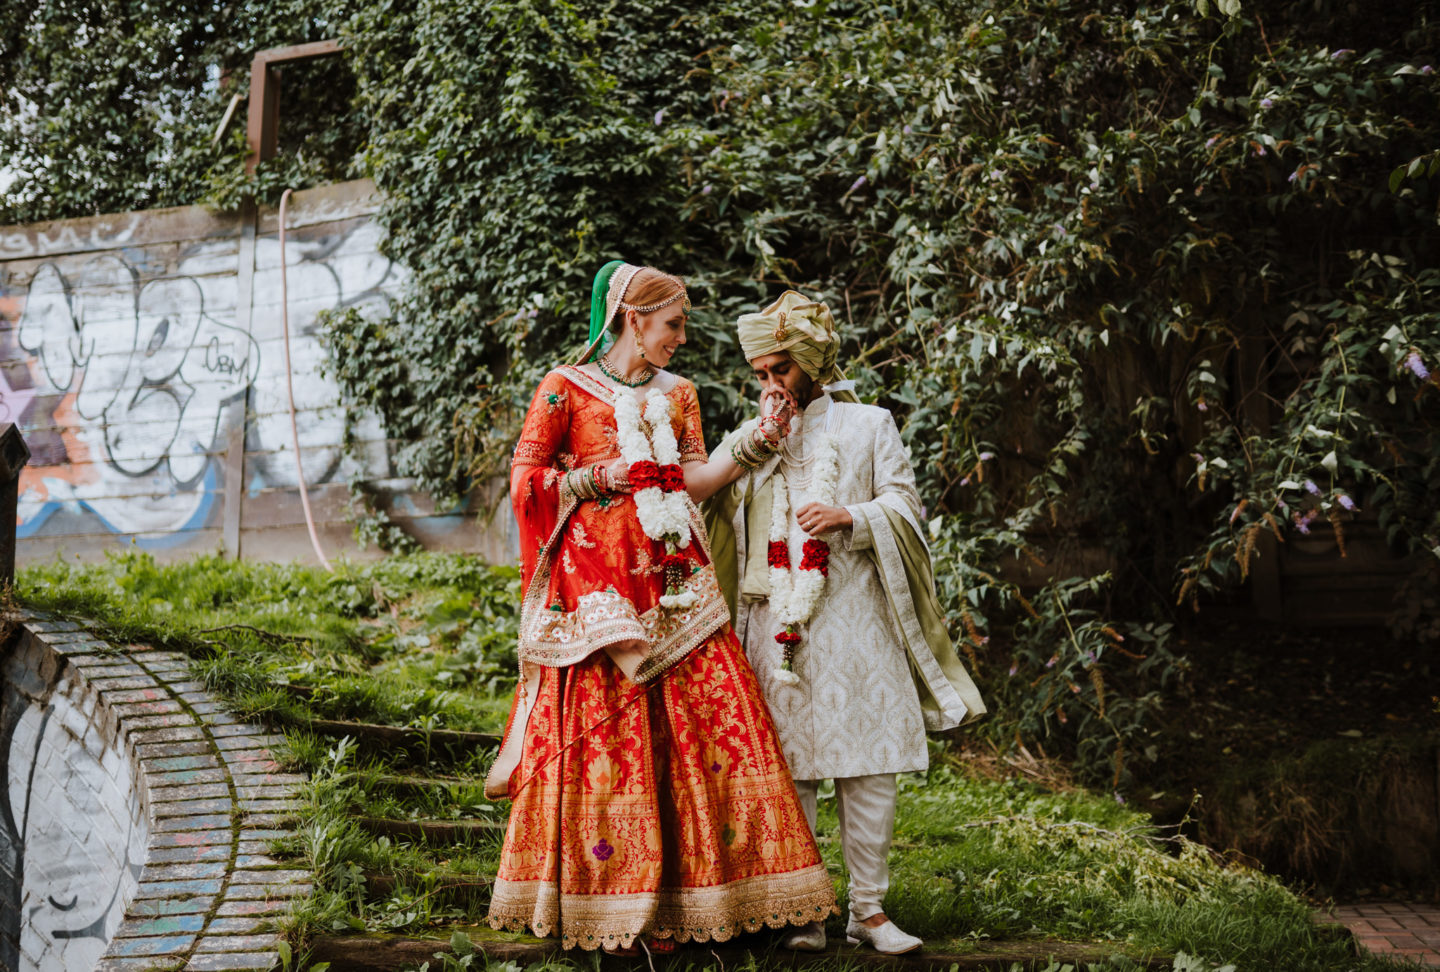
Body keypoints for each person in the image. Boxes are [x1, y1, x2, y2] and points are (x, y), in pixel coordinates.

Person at [484, 262, 836, 953]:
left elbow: (694, 481)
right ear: (632, 319)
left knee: (715, 728)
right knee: (604, 743)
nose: (681, 338)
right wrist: (597, 478)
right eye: (672, 325)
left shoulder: (682, 395)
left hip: (678, 588)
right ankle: (605, 909)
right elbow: (524, 484)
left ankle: (716, 901)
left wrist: (756, 441)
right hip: (595, 594)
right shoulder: (564, 388)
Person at [705, 291, 986, 955]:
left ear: (810, 362)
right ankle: (807, 910)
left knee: (868, 769)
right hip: (773, 622)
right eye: (762, 375)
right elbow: (710, 508)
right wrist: (752, 446)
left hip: (856, 618)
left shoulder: (868, 425)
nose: (771, 386)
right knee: (791, 770)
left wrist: (849, 518)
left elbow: (907, 509)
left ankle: (869, 912)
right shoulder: (754, 439)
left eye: (781, 371)